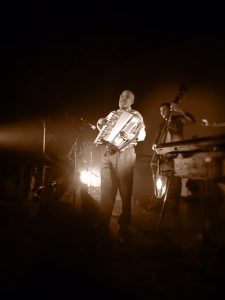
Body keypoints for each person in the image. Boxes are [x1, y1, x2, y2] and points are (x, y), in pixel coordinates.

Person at [95, 90, 146, 242]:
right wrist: (100, 123)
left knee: (125, 191)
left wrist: (130, 134)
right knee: (106, 190)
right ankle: (103, 224)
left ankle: (124, 225)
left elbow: (142, 135)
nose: (123, 99)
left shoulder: (136, 115)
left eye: (127, 97)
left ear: (132, 101)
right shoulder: (112, 114)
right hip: (107, 153)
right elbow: (103, 130)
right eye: (121, 96)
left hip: (125, 152)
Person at [150, 102, 196, 219]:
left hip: (175, 154)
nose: (162, 113)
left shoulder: (178, 120)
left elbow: (192, 120)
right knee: (161, 180)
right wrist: (155, 146)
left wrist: (180, 110)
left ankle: (174, 206)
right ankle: (160, 202)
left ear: (170, 110)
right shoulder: (161, 125)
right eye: (160, 111)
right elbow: (156, 141)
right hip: (164, 156)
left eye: (164, 110)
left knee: (175, 181)